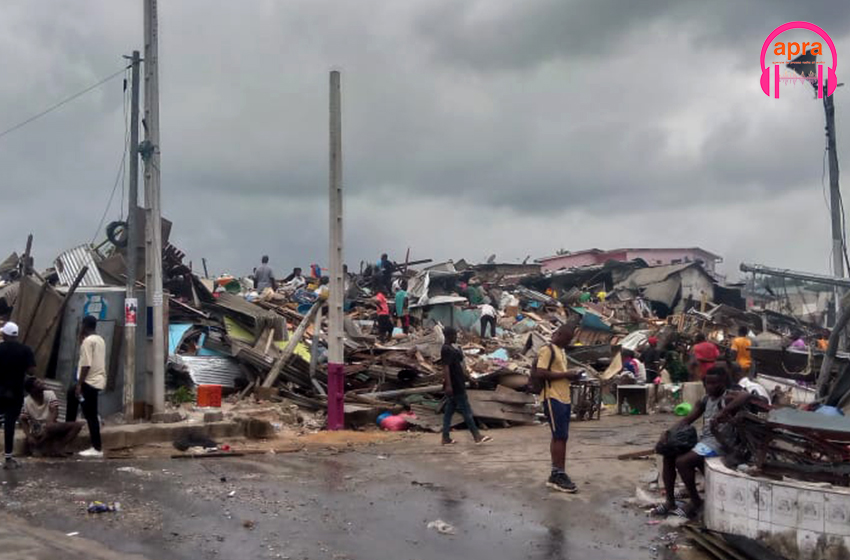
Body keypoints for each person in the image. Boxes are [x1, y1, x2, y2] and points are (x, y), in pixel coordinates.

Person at [654, 366, 749, 518]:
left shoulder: (728, 397)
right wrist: (668, 433)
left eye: (714, 383)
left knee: (683, 462)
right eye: (708, 383)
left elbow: (745, 395)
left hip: (721, 443)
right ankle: (670, 501)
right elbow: (687, 419)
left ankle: (696, 501)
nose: (710, 387)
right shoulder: (705, 400)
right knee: (669, 454)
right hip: (705, 441)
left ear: (723, 382)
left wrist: (724, 412)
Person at [536, 322, 584, 493]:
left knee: (560, 437)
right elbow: (540, 372)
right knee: (560, 436)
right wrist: (566, 374)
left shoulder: (561, 351)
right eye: (565, 339)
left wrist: (571, 376)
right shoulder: (547, 350)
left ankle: (556, 472)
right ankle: (558, 474)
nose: (567, 342)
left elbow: (557, 374)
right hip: (552, 396)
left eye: (569, 340)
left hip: (563, 397)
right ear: (558, 335)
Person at [441, 327, 491, 445]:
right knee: (466, 411)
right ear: (449, 336)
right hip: (455, 385)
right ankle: (476, 436)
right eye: (454, 335)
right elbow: (446, 368)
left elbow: (459, 368)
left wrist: (469, 379)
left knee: (449, 412)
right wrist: (448, 385)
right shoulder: (446, 349)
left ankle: (445, 437)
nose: (456, 337)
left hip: (458, 383)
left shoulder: (452, 349)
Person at [66, 316, 106, 458]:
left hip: (88, 382)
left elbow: (86, 365)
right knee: (72, 399)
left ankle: (96, 447)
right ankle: (68, 442)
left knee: (90, 415)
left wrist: (79, 384)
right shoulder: (99, 340)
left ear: (84, 325)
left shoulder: (88, 342)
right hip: (97, 381)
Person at [0, 322, 35, 469]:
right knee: (9, 424)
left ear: (4, 335)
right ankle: (8, 458)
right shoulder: (26, 350)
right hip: (16, 392)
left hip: (0, 390)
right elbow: (31, 371)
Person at [20, 377, 83, 456]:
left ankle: (59, 446)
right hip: (37, 428)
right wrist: (29, 436)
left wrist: (49, 423)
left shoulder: (50, 394)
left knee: (77, 426)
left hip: (51, 425)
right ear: (32, 389)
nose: (42, 384)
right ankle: (46, 448)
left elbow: (55, 411)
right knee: (38, 437)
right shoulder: (26, 401)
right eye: (38, 383)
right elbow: (23, 420)